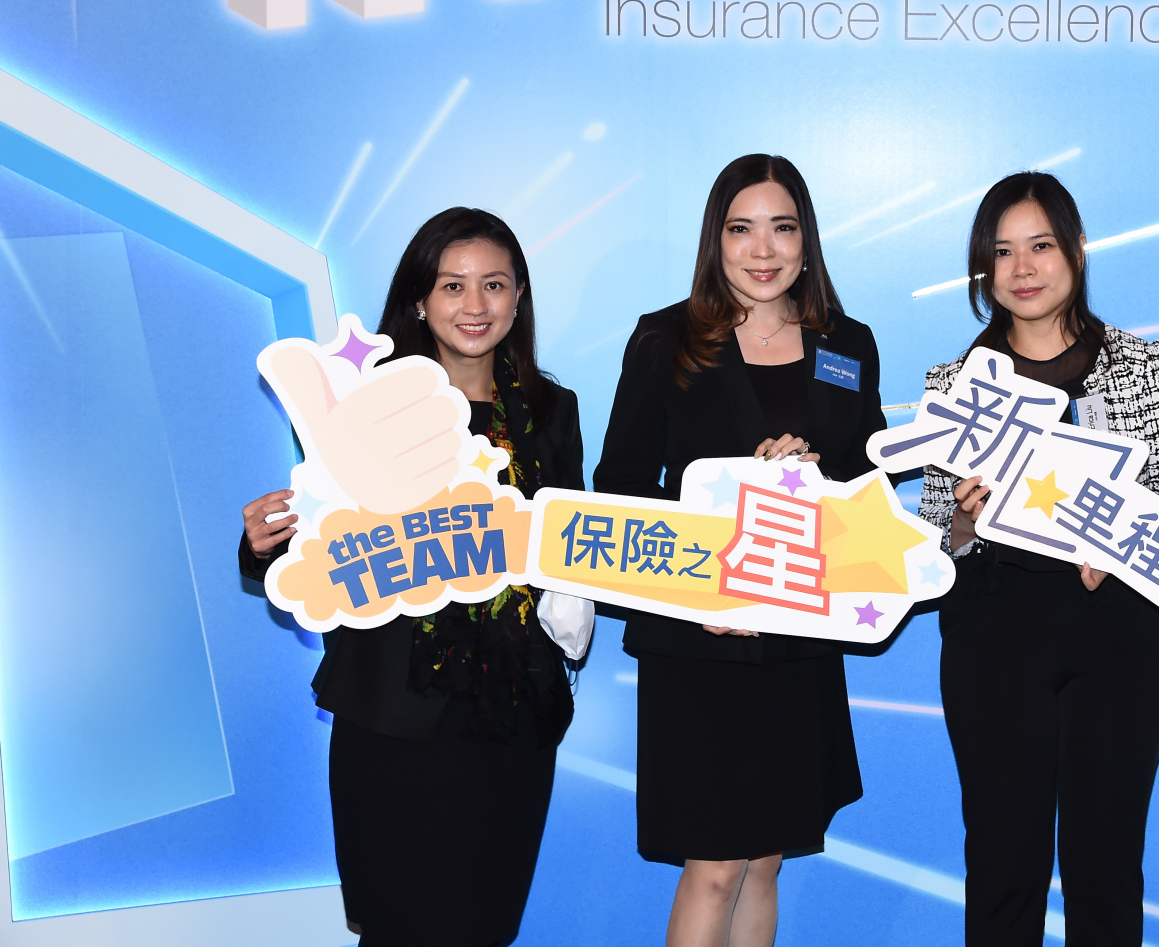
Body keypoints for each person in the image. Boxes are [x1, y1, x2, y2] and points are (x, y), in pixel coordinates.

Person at [239, 208, 585, 947]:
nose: (475, 304)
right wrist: (262, 544)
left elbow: (573, 543)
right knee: (399, 927)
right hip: (391, 710)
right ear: (420, 300)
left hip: (515, 716)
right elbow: (321, 537)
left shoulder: (551, 411)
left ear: (518, 297)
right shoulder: (362, 404)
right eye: (452, 285)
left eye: (494, 284)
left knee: (484, 926)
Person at [593, 154, 887, 947]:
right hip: (701, 642)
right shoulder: (665, 339)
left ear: (806, 240)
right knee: (715, 864)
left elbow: (867, 491)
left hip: (796, 639)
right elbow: (621, 490)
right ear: (714, 239)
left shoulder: (847, 343)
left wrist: (817, 482)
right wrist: (712, 556)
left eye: (782, 228)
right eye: (741, 229)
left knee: (765, 860)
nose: (763, 250)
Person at [917, 171, 1159, 947]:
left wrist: (1124, 548)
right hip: (995, 634)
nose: (1023, 268)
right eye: (1002, 252)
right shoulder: (953, 385)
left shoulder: (1143, 366)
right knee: (1002, 868)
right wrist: (966, 520)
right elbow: (935, 540)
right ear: (984, 270)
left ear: (1076, 249)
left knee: (1106, 869)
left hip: (1120, 632)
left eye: (1040, 245)